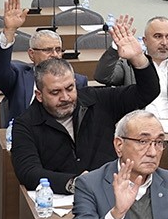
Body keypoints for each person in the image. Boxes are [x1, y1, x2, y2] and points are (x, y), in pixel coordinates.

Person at [13, 33, 158, 196]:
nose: (65, 97)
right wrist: (75, 183)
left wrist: (138, 59)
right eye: (55, 92)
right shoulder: (25, 124)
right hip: (63, 198)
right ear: (39, 95)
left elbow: (147, 92)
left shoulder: (97, 100)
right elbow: (28, 172)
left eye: (69, 88)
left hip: (112, 192)